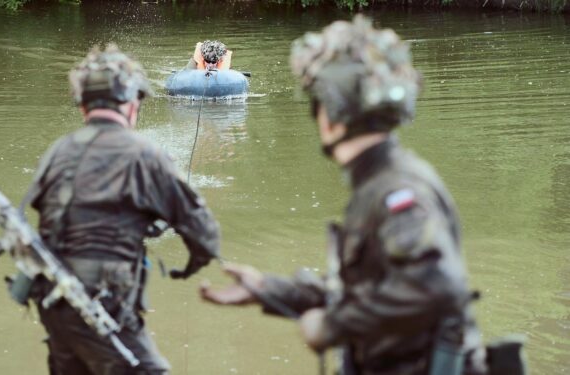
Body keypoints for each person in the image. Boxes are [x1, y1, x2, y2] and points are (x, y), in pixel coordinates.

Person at [200, 15, 488, 375]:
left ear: (332, 112)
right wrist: (269, 290)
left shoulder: (398, 192)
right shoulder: (381, 180)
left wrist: (332, 327)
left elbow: (435, 287)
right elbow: (373, 290)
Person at [26, 44, 221, 375]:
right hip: (104, 307)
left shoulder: (58, 152)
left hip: (54, 304)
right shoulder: (144, 153)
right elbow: (206, 237)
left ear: (84, 105)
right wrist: (187, 268)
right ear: (132, 104)